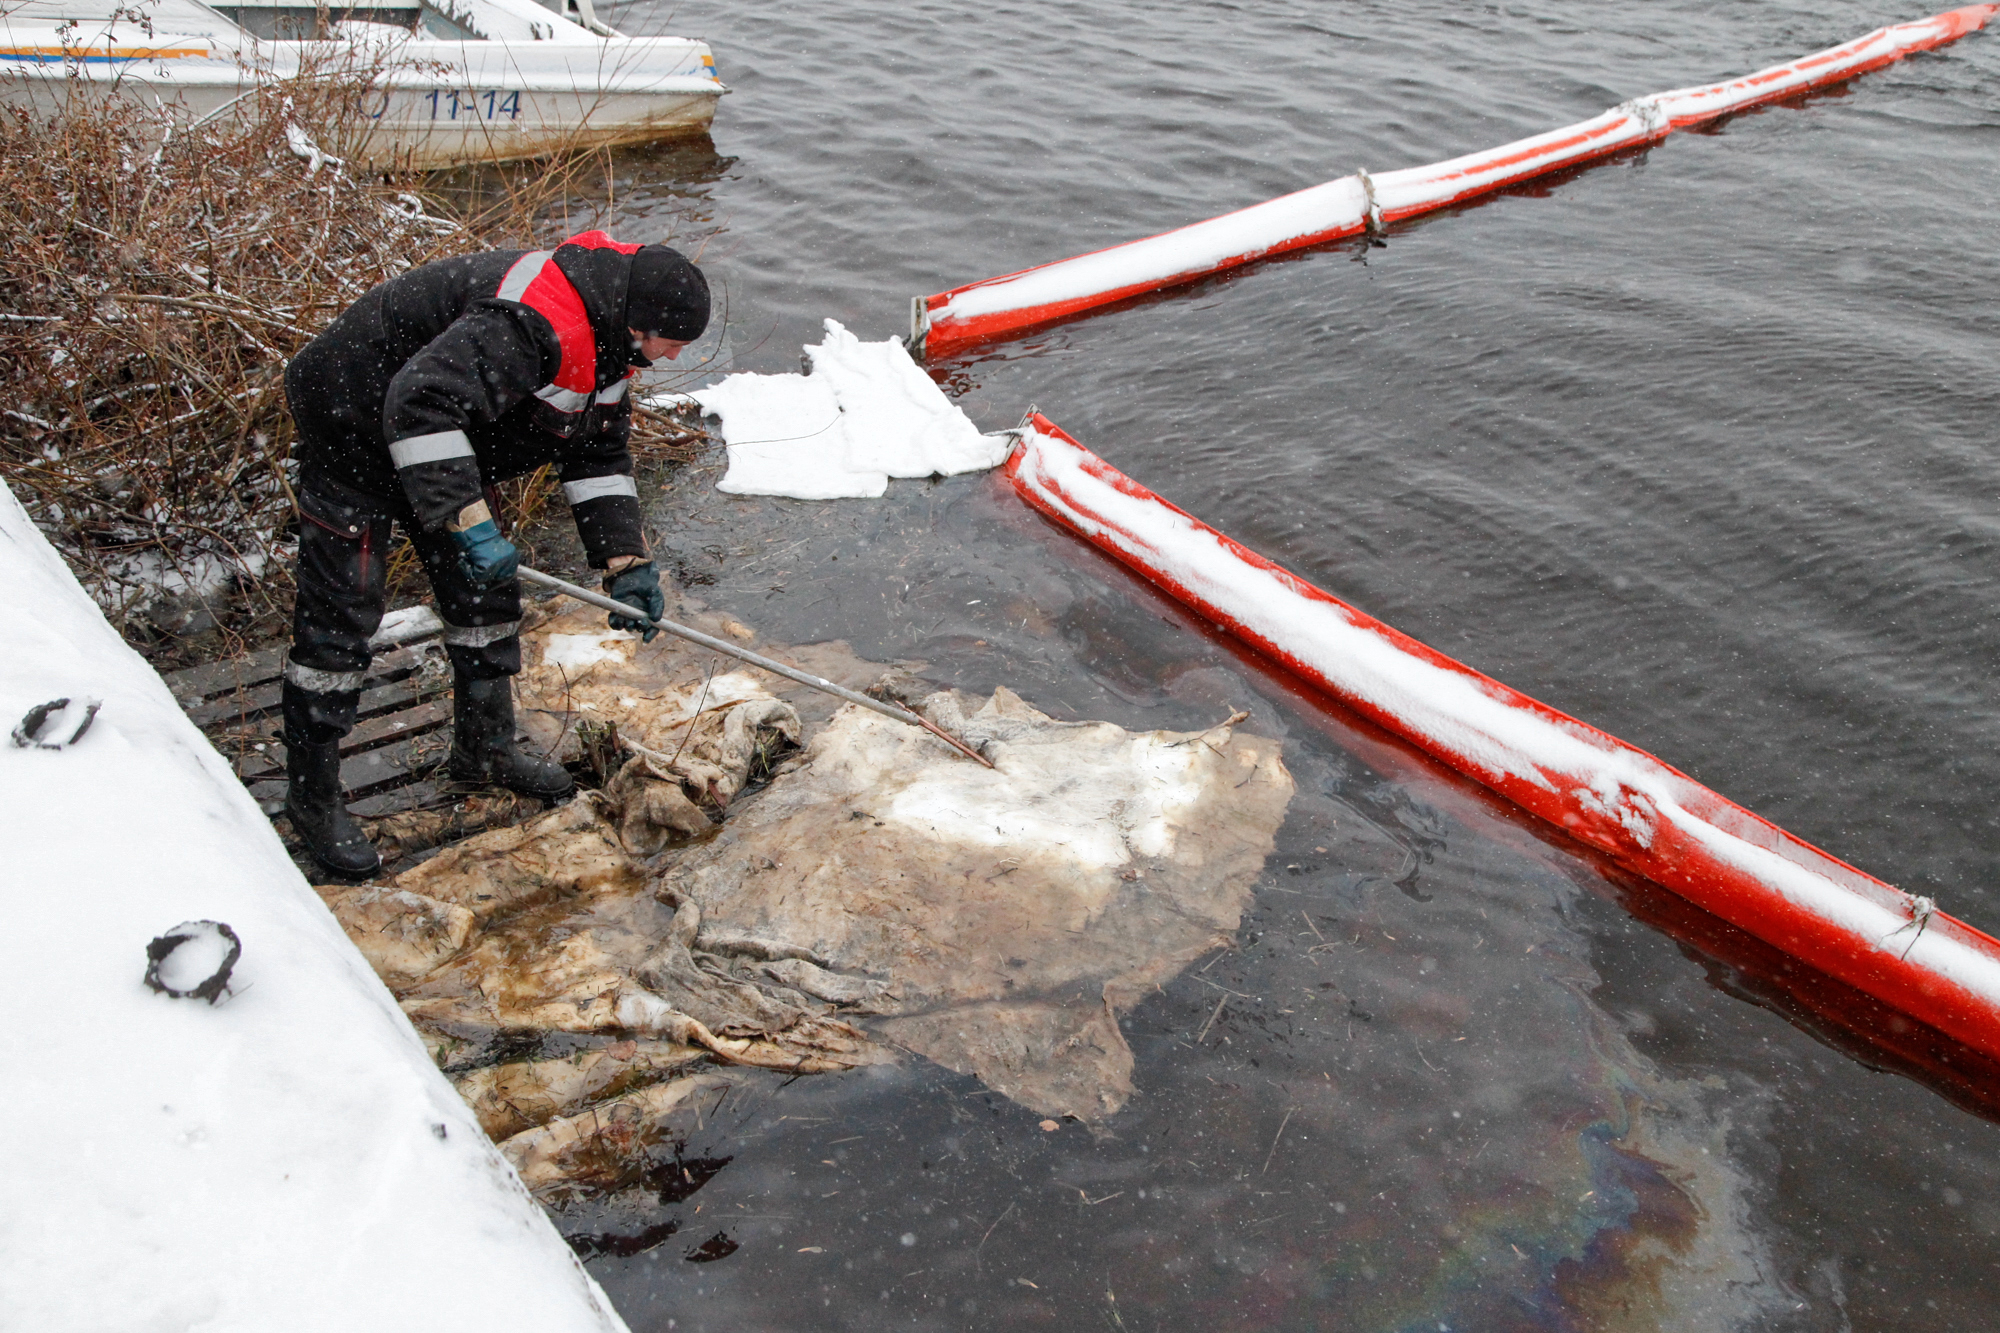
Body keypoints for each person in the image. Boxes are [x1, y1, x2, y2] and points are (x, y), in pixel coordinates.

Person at [280, 229, 709, 878]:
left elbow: (596, 453)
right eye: (672, 343)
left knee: (484, 592)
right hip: (354, 416)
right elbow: (418, 400)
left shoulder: (613, 344)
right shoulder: (536, 319)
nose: (674, 357)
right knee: (341, 615)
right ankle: (312, 797)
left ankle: (484, 750)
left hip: (438, 430)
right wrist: (466, 522)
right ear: (643, 322)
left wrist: (627, 563)